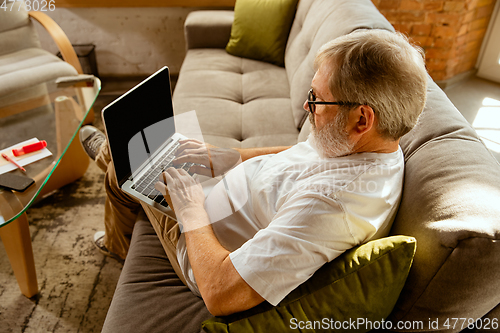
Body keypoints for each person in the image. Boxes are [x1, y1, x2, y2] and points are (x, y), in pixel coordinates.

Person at [79, 29, 427, 316]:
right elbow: (299, 154)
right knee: (147, 145)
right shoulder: (355, 142)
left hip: (201, 241)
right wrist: (226, 158)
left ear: (362, 119)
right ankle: (111, 154)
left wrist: (190, 210)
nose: (307, 107)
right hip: (218, 196)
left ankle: (115, 230)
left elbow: (220, 292)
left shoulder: (332, 207)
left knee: (125, 167)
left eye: (317, 99)